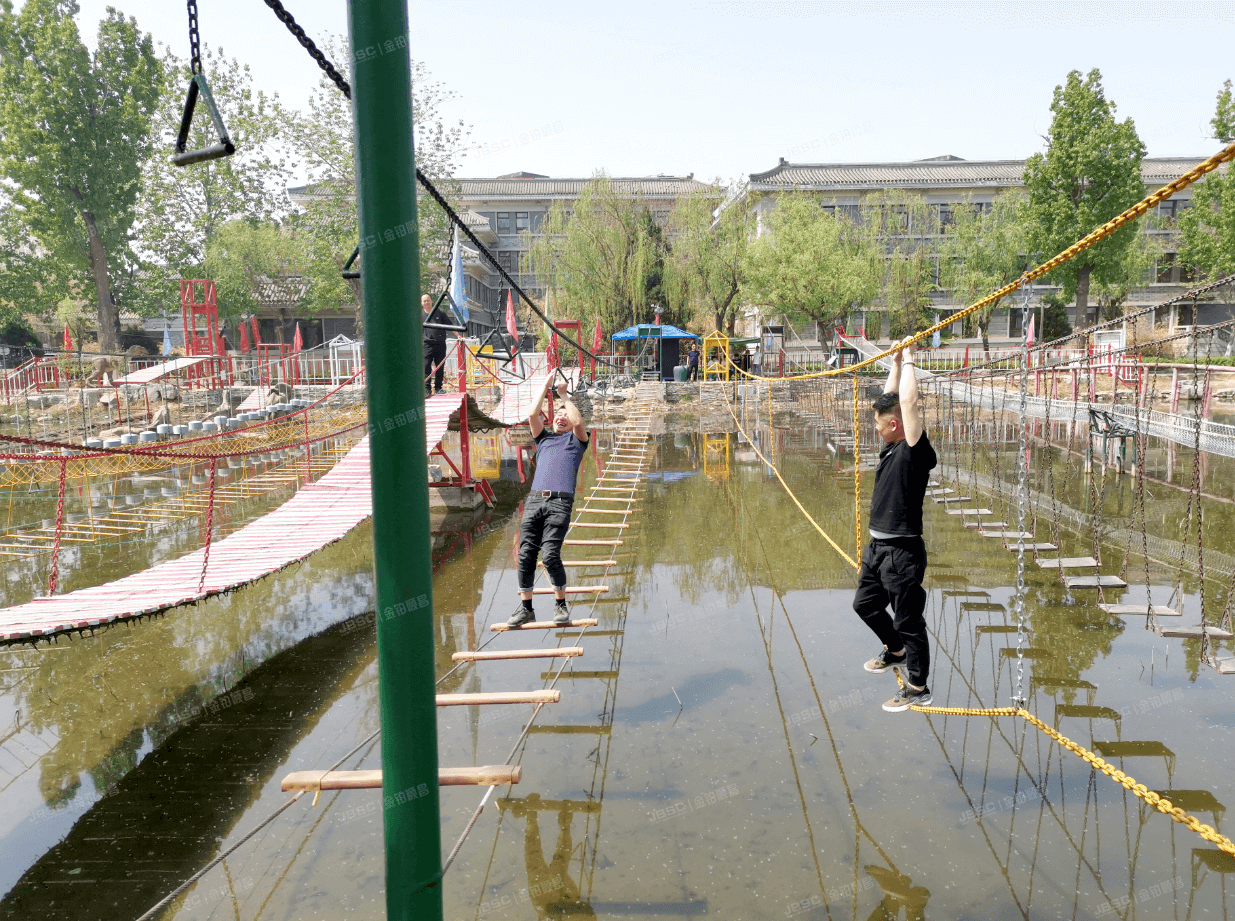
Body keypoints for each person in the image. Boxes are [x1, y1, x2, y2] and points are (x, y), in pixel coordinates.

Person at [853, 336, 938, 712]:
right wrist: (895, 364)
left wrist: (911, 360)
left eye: (879, 424)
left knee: (908, 619)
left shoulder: (915, 450)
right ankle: (896, 650)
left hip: (902, 553)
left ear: (894, 427)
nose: (875, 428)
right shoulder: (891, 445)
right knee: (865, 605)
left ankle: (918, 686)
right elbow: (891, 400)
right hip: (877, 548)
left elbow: (907, 404)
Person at [509, 375, 590, 627]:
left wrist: (564, 397)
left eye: (564, 415)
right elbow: (532, 415)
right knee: (525, 555)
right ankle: (526, 608)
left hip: (559, 503)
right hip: (534, 501)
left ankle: (560, 605)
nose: (561, 417)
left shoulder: (577, 441)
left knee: (551, 554)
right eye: (558, 415)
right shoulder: (543, 439)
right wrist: (545, 387)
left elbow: (577, 421)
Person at [421, 293, 449, 395]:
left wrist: (458, 335)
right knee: (426, 366)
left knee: (440, 367)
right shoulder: (419, 315)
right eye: (424, 301)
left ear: (432, 301)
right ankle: (426, 389)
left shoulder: (440, 312)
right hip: (426, 345)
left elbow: (449, 325)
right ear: (421, 303)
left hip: (440, 344)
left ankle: (438, 388)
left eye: (428, 300)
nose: (426, 302)